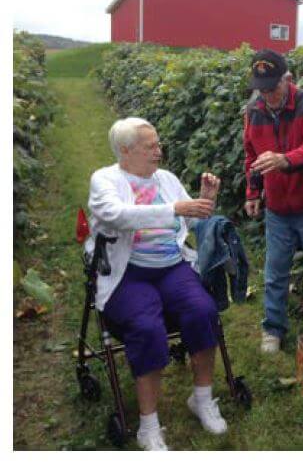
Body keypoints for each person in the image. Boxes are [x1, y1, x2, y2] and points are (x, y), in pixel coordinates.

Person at [87, 117, 227, 451]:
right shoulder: (105, 180)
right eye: (150, 146)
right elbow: (117, 215)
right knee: (146, 328)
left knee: (203, 311)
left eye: (158, 144)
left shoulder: (165, 179)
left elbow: (188, 219)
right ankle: (148, 425)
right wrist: (174, 208)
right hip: (128, 272)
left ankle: (202, 398)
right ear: (125, 150)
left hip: (170, 265)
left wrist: (204, 200)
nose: (158, 151)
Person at [243, 49, 303, 353]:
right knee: (275, 271)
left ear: (287, 79)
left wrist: (285, 160)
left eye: (273, 87)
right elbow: (251, 155)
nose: (268, 95)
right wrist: (253, 192)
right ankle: (273, 328)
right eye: (262, 89)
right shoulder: (254, 110)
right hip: (278, 208)